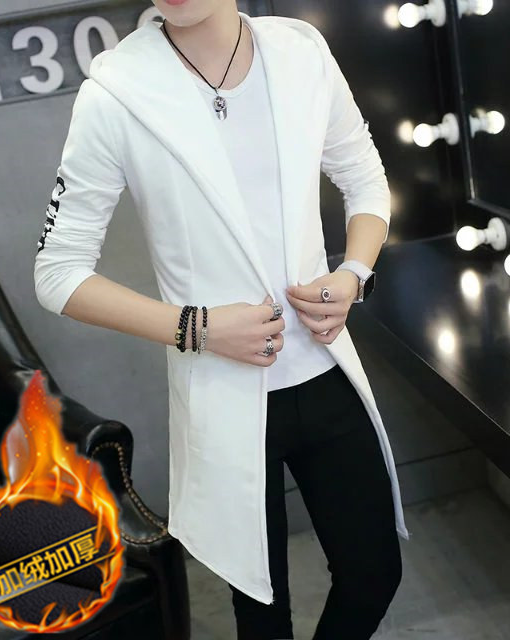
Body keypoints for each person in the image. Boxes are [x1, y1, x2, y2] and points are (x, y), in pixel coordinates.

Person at [34, 1, 406, 638]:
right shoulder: (117, 92)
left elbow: (364, 178)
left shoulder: (301, 54)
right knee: (261, 611)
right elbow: (57, 273)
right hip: (222, 396)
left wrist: (352, 274)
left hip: (324, 370)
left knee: (374, 573)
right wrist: (195, 327)